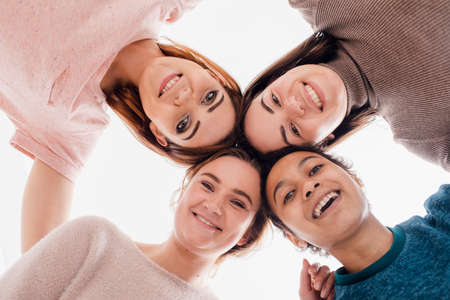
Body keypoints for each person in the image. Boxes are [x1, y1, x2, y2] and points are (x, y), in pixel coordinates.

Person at [0, 0, 243, 250]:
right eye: (209, 97)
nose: (185, 99)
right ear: (212, 75)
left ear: (159, 132)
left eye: (183, 124)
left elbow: (40, 262)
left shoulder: (74, 122)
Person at [0, 148, 268, 299]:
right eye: (207, 185)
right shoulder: (94, 241)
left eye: (238, 203)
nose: (213, 206)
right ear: (183, 190)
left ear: (248, 234)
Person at [242, 0, 450, 172]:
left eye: (274, 100)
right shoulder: (421, 133)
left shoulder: (320, 4)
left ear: (276, 77)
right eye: (294, 129)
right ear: (322, 142)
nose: (294, 106)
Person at [261, 145, 450, 299]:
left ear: (354, 178)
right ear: (295, 238)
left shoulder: (444, 212)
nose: (309, 186)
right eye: (289, 195)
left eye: (315, 169)